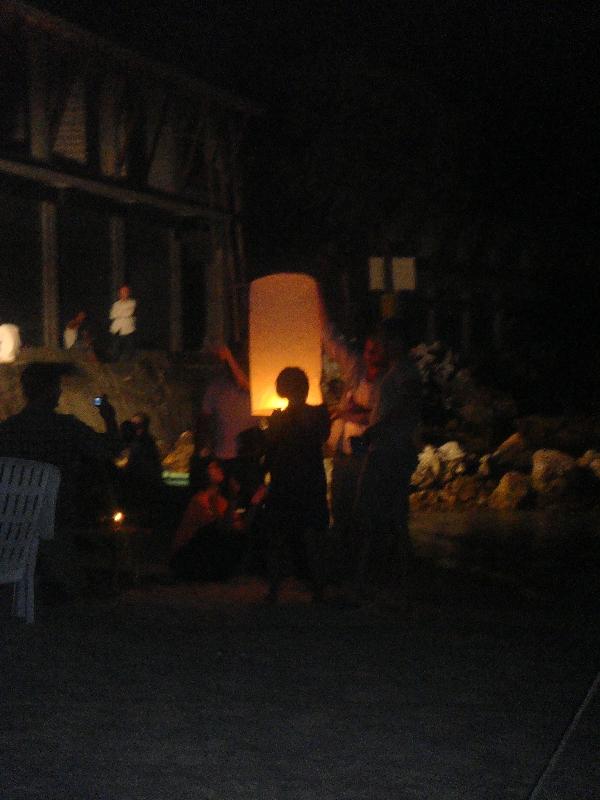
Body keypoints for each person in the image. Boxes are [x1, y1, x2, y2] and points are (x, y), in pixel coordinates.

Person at [0, 362, 121, 595]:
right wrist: (109, 418)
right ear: (51, 391)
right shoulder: (67, 428)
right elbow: (110, 449)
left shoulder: (7, 430)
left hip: (10, 517)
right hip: (55, 517)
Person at [351, 317, 422, 608]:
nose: (381, 346)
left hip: (389, 451)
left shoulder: (405, 372)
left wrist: (373, 432)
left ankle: (375, 583)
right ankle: (384, 582)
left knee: (375, 515)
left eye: (385, 340)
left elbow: (404, 409)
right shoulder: (397, 372)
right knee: (385, 517)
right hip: (385, 449)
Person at [321, 314, 388, 566]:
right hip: (342, 444)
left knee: (360, 500)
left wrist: (346, 412)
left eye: (375, 351)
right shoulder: (357, 370)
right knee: (339, 501)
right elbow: (332, 342)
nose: (370, 355)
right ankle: (343, 558)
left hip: (363, 446)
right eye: (368, 350)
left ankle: (364, 561)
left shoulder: (386, 381)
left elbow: (376, 416)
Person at [261, 367, 331, 603]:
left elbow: (271, 448)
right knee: (308, 536)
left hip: (289, 480)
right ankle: (316, 590)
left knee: (281, 536)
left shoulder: (286, 417)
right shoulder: (317, 414)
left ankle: (275, 589)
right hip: (306, 479)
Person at [191, 343, 255, 491]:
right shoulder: (215, 387)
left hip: (247, 457)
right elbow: (204, 420)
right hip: (222, 455)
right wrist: (203, 451)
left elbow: (244, 383)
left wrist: (229, 357)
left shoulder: (252, 384)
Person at [170, 457, 246, 582]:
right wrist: (233, 499)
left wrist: (255, 503)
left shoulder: (220, 501)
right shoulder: (199, 500)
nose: (219, 469)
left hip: (200, 554)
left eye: (218, 466)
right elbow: (217, 529)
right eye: (213, 467)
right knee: (213, 532)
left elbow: (239, 527)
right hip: (184, 556)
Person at [109, 284, 136, 361]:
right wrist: (123, 313)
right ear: (119, 293)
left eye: (125, 291)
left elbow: (129, 313)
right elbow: (112, 315)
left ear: (128, 293)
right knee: (115, 350)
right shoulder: (115, 304)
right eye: (122, 292)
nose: (123, 293)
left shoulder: (132, 302)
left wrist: (119, 313)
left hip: (128, 329)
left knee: (128, 350)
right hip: (116, 329)